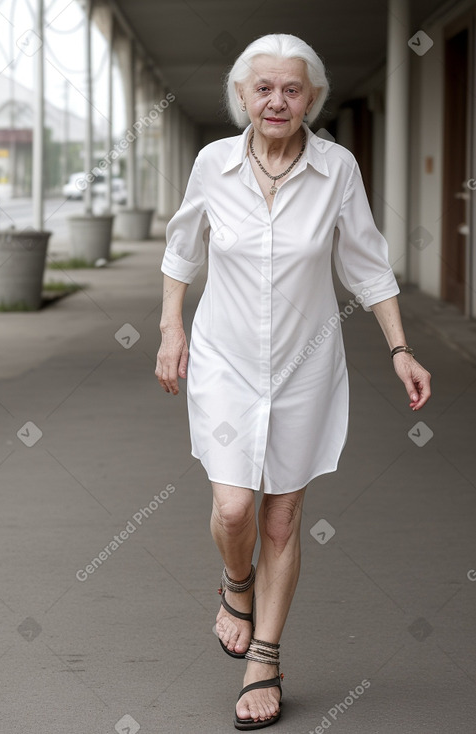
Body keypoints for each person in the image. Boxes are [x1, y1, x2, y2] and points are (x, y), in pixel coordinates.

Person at [155, 33, 431, 730]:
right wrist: (170, 329)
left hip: (305, 366)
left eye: (291, 89)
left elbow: (366, 263)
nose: (276, 101)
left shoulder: (335, 168)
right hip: (223, 361)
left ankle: (265, 660)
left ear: (310, 98)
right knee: (232, 510)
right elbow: (183, 249)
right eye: (263, 88)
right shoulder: (213, 163)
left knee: (280, 516)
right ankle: (235, 583)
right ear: (242, 96)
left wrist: (399, 348)